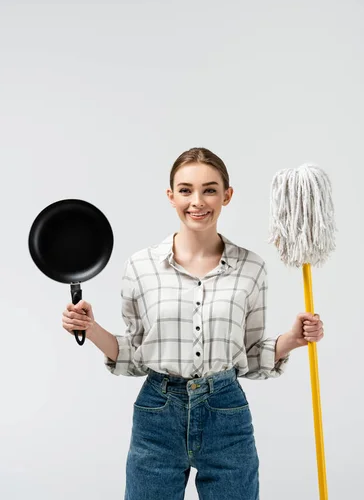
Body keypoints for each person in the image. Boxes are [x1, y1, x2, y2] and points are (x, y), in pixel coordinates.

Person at [62, 147, 324, 500]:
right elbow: (135, 356)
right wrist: (90, 328)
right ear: (171, 196)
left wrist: (293, 339)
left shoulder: (252, 268)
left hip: (226, 414)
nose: (197, 201)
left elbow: (248, 355)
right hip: (157, 415)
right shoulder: (141, 267)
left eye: (210, 189)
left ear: (227, 196)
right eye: (185, 190)